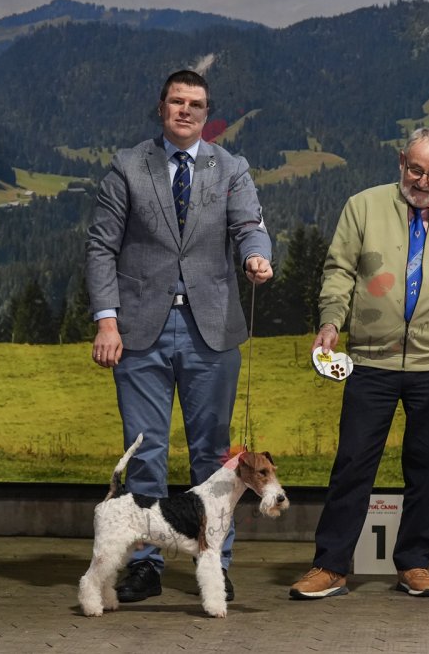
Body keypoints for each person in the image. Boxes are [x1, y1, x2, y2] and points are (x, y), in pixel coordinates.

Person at [289, 128, 429, 600]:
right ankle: (330, 565)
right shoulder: (363, 206)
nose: (423, 182)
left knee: (428, 471)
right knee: (352, 465)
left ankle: (415, 563)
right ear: (401, 163)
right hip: (370, 361)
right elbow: (338, 273)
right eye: (416, 170)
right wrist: (330, 323)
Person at [86, 69, 273, 604]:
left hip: (211, 330)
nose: (185, 110)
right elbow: (101, 246)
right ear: (161, 107)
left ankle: (214, 561)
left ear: (206, 112)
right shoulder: (128, 166)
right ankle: (145, 564)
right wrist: (106, 321)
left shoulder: (231, 168)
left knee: (214, 455)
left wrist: (256, 256)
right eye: (176, 101)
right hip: (138, 330)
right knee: (144, 452)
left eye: (195, 103)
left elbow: (249, 227)